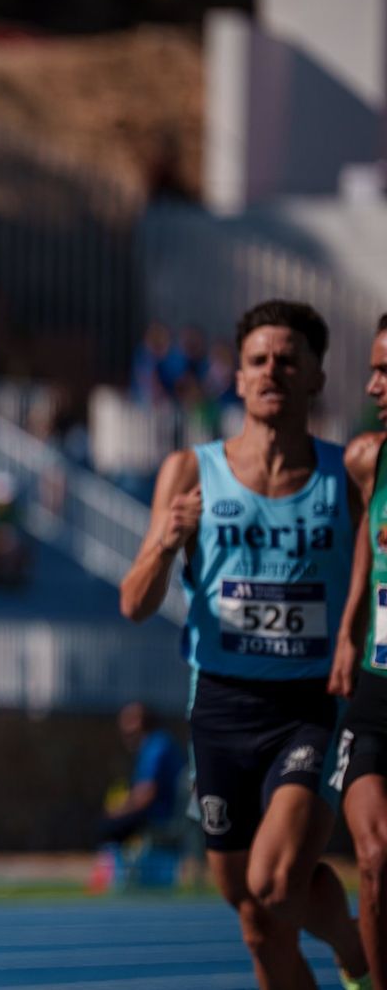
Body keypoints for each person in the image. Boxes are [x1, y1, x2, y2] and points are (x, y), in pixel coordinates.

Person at [120, 300, 369, 990]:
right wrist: (168, 541)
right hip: (222, 706)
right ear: (236, 377)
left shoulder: (345, 476)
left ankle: (356, 953)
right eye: (258, 360)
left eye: (289, 360)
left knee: (277, 876)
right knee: (255, 916)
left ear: (317, 374)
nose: (271, 372)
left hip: (311, 702)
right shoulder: (190, 471)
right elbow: (134, 601)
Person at [328, 313, 387, 984]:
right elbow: (365, 545)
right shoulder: (368, 458)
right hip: (374, 694)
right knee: (373, 856)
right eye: (373, 368)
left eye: (385, 372)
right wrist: (346, 630)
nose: (373, 384)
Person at [100, 702, 186, 846]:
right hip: (161, 816)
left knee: (107, 828)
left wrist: (118, 811)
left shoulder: (156, 746)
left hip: (163, 818)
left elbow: (146, 794)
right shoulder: (153, 745)